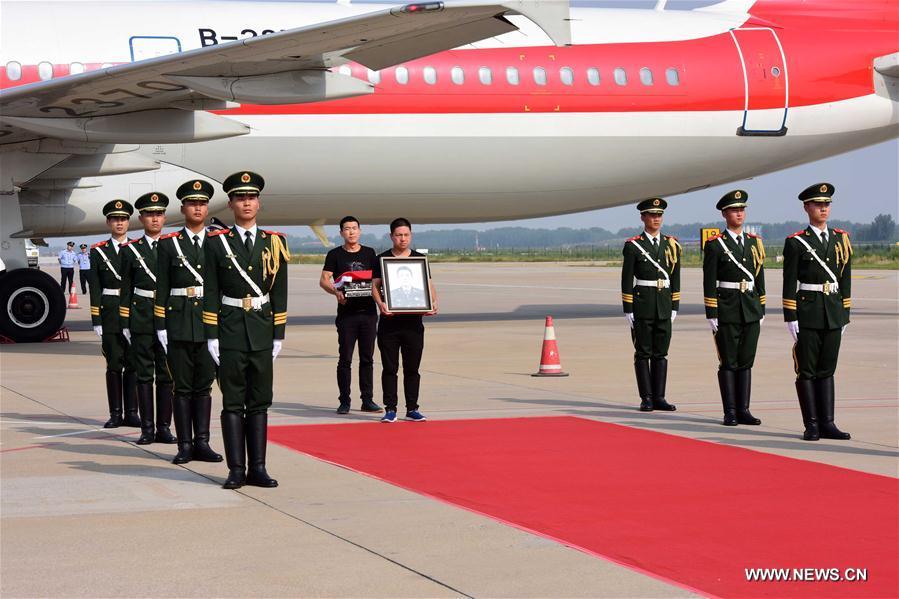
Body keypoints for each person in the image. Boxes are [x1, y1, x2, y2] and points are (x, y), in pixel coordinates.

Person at [204, 171, 289, 489]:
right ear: (231, 204)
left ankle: (259, 468)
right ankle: (236, 469)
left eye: (251, 197)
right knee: (232, 401)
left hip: (262, 329)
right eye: (240, 198)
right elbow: (210, 290)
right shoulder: (216, 244)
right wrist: (212, 334)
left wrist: (278, 333)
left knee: (260, 401)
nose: (246, 202)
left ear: (259, 202)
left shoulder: (275, 243)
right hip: (230, 329)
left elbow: (279, 290)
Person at [154, 179, 224, 464]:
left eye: (202, 203)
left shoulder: (218, 242)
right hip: (180, 322)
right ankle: (184, 445)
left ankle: (202, 442)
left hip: (209, 324)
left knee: (204, 387)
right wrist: (160, 326)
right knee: (181, 387)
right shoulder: (169, 245)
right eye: (193, 203)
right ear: (183, 208)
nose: (198, 207)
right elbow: (162, 287)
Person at [783, 183, 852, 441]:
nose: (823, 208)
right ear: (807, 207)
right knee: (808, 370)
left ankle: (828, 423)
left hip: (833, 310)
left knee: (827, 369)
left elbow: (845, 278)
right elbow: (789, 282)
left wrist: (845, 311)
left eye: (826, 204)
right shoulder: (797, 242)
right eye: (818, 204)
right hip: (808, 311)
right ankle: (811, 424)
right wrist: (791, 316)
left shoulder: (840, 239)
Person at [702, 190, 766, 426]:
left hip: (750, 307)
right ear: (724, 214)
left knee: (746, 360)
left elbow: (759, 277)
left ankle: (744, 410)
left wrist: (761, 307)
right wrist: (712, 311)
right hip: (727, 307)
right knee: (729, 361)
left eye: (742, 209)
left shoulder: (754, 243)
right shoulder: (716, 245)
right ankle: (730, 411)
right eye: (734, 210)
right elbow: (709, 281)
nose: (739, 213)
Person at [119, 192, 175, 445]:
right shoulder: (131, 250)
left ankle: (164, 428)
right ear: (141, 218)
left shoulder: (173, 245)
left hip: (169, 317)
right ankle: (147, 428)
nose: (155, 219)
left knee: (167, 375)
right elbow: (126, 288)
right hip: (141, 316)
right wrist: (125, 321)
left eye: (159, 214)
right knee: (144, 375)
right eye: (150, 214)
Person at [372, 218, 438, 423]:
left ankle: (412, 408)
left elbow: (428, 285)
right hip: (389, 324)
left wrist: (433, 302)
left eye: (406, 235)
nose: (403, 238)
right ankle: (390, 409)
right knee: (389, 368)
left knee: (412, 369)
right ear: (391, 236)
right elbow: (375, 285)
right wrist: (381, 304)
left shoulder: (419, 259)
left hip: (414, 325)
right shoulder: (382, 259)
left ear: (411, 235)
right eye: (399, 235)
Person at [620, 198, 681, 412]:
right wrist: (628, 308)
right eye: (652, 215)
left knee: (661, 352)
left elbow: (676, 277)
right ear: (643, 217)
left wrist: (675, 305)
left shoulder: (671, 244)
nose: (656, 219)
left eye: (659, 215)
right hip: (643, 304)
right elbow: (626, 279)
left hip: (664, 304)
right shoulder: (634, 245)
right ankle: (646, 397)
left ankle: (659, 397)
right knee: (643, 352)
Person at [320, 216, 382, 415]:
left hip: (369, 314)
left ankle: (367, 399)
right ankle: (344, 400)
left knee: (367, 359)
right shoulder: (335, 255)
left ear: (360, 231)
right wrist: (335, 292)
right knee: (345, 358)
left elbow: (377, 280)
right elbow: (324, 280)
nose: (351, 232)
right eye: (347, 229)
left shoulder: (370, 253)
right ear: (341, 233)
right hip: (347, 315)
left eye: (354, 228)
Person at [88, 200, 140, 428]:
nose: (120, 223)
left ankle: (132, 413)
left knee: (134, 363)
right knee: (113, 365)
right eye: (115, 219)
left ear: (129, 222)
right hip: (109, 311)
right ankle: (116, 413)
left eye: (123, 219)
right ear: (109, 222)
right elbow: (95, 287)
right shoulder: (98, 251)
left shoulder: (137, 249)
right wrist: (96, 318)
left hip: (133, 311)